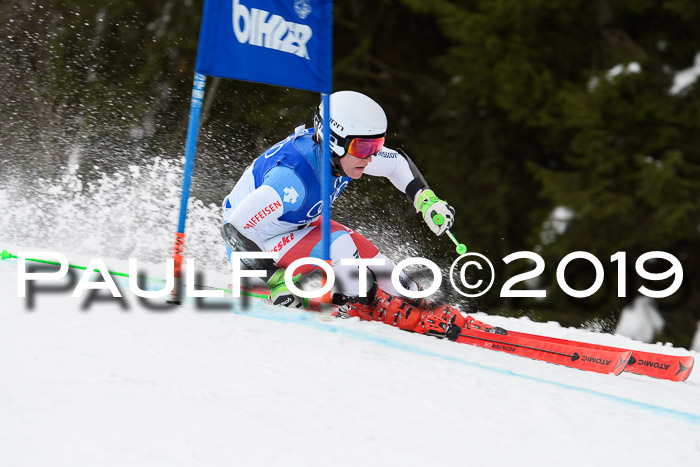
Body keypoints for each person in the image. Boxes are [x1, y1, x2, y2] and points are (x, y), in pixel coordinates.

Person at [222, 91, 471, 340]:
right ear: (334, 142)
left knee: (383, 268)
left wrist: (426, 200)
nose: (372, 156)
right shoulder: (293, 178)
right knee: (341, 246)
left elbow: (395, 163)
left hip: (292, 229)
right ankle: (365, 303)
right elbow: (235, 228)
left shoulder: (344, 155)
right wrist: (276, 280)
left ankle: (420, 305)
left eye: (377, 145)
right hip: (255, 248)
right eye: (365, 147)